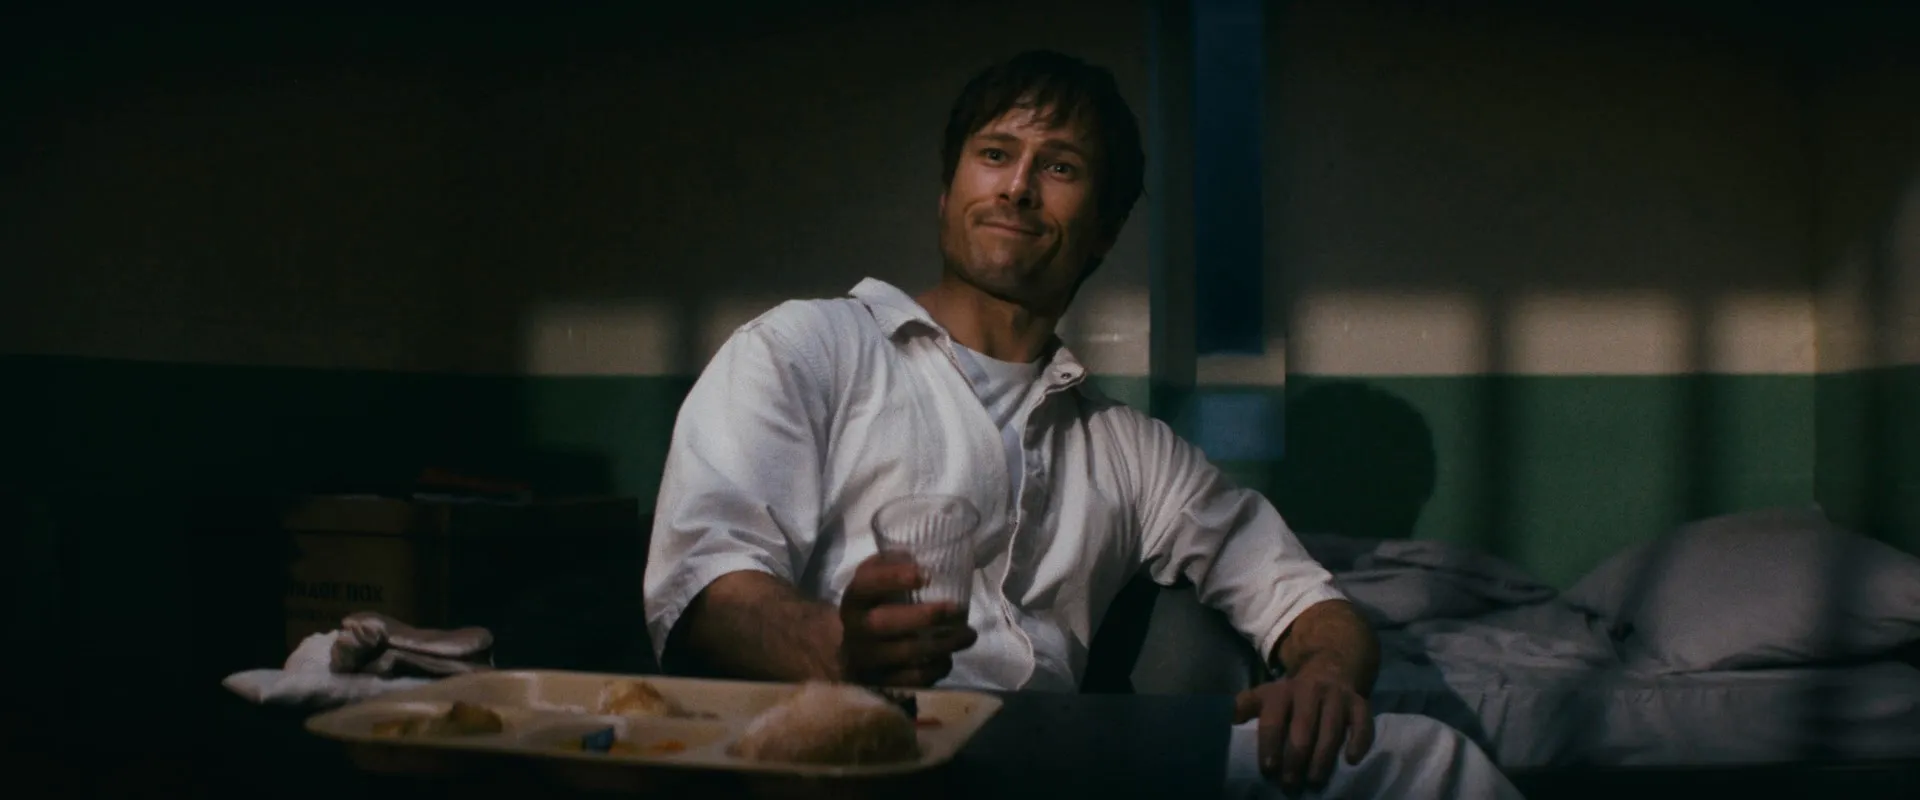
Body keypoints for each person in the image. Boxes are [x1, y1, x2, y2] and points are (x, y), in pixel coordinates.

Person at [643, 50, 1522, 799]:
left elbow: (1305, 598)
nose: (1018, 187)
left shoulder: (1129, 450)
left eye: (1059, 167)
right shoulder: (804, 348)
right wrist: (837, 645)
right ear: (947, 191)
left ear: (1102, 232)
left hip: (1058, 759)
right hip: (844, 748)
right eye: (995, 154)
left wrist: (1325, 675)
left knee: (1428, 760)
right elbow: (706, 582)